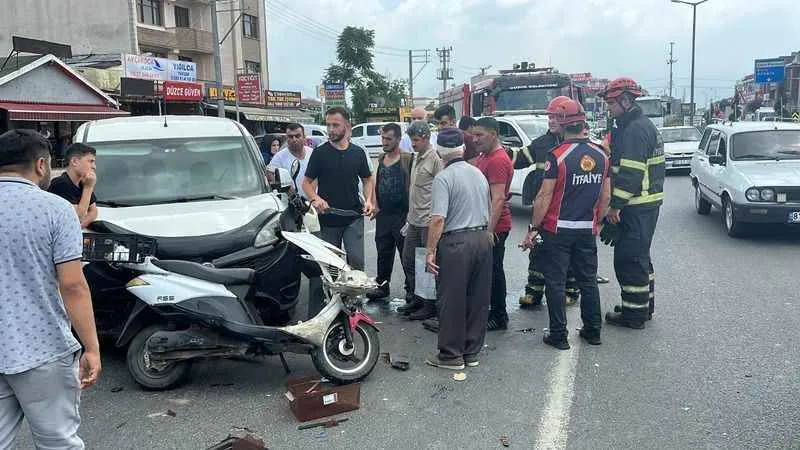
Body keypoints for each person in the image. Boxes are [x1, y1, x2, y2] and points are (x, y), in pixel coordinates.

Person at [0, 129, 101, 448]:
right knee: (57, 441)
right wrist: (92, 347)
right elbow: (72, 285)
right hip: (42, 347)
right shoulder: (55, 210)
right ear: (41, 165)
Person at [520, 100, 611, 350]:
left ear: (562, 124)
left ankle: (558, 335)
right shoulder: (602, 155)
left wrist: (533, 228)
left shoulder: (557, 156)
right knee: (588, 281)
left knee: (555, 282)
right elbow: (605, 197)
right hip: (585, 231)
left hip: (557, 231)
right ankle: (593, 331)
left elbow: (544, 196)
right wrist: (598, 221)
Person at [598, 77, 665, 329]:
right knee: (641, 258)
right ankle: (642, 306)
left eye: (611, 102)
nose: (608, 107)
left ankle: (633, 315)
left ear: (626, 100)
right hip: (645, 204)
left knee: (629, 260)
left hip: (636, 205)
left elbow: (630, 174)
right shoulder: (639, 125)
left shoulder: (635, 130)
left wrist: (615, 206)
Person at [424, 128, 492, 370]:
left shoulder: (443, 178)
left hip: (456, 243)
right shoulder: (478, 173)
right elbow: (488, 207)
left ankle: (451, 355)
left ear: (440, 151)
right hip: (482, 239)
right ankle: (471, 352)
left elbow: (438, 219)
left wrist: (430, 250)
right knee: (478, 298)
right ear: (462, 148)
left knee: (452, 300)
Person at [303, 107, 375, 271]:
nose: (330, 130)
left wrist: (369, 200)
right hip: (328, 219)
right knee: (331, 266)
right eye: (328, 125)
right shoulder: (319, 153)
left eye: (335, 125)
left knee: (357, 263)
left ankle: (355, 297)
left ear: (347, 126)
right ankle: (334, 297)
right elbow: (306, 183)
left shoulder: (358, 152)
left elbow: (367, 179)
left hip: (353, 217)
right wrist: (316, 198)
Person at [398, 121, 443, 320]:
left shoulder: (435, 159)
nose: (413, 144)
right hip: (414, 219)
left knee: (427, 265)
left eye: (416, 140)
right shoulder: (417, 158)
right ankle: (417, 298)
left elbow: (442, 189)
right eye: (411, 140)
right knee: (409, 260)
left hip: (428, 221)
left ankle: (429, 304)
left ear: (426, 138)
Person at [473, 117, 514, 331]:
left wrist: (489, 230)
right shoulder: (485, 156)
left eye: (480, 135)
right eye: (474, 135)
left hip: (495, 226)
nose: (475, 139)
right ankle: (492, 311)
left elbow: (498, 198)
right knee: (488, 271)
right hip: (487, 223)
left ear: (493, 135)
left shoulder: (497, 160)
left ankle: (499, 316)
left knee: (494, 271)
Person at [366, 123, 415, 300]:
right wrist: (375, 204)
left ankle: (412, 290)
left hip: (402, 215)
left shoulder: (408, 159)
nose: (384, 142)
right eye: (383, 138)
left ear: (398, 139)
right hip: (384, 216)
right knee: (383, 253)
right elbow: (376, 182)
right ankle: (382, 286)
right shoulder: (381, 159)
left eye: (388, 139)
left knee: (406, 255)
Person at [48, 143, 98, 228]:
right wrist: (88, 188)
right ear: (75, 161)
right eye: (90, 161)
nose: (94, 167)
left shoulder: (83, 183)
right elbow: (77, 216)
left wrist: (78, 228)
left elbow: (93, 211)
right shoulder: (60, 183)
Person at [268, 123, 314, 197]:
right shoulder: (279, 157)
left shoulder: (313, 154)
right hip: (292, 203)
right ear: (287, 138)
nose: (294, 139)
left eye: (297, 136)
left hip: (313, 203)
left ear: (304, 137)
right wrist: (288, 190)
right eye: (290, 137)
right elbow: (270, 173)